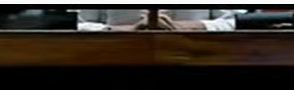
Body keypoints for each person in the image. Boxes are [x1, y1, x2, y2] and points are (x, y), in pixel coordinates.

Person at [78, 8, 244, 31]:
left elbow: (237, 22)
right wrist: (116, 30)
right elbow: (77, 24)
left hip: (200, 64)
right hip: (115, 65)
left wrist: (194, 26)